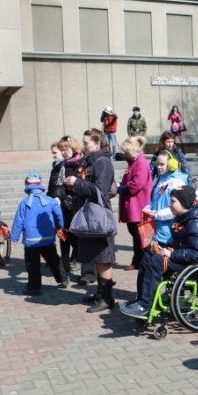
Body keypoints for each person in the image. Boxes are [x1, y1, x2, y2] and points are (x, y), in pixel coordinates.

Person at [120, 186, 198, 318]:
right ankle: (141, 300)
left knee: (155, 261)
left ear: (184, 202)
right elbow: (183, 243)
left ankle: (145, 305)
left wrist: (171, 253)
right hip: (184, 258)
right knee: (148, 256)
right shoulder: (182, 217)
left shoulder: (196, 222)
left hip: (195, 265)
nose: (169, 204)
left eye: (173, 201)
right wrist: (162, 248)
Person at [64, 128, 117, 312]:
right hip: (91, 215)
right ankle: (100, 293)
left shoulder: (103, 162)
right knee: (96, 256)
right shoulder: (91, 161)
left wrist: (77, 183)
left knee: (103, 257)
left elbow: (99, 190)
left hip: (99, 215)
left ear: (97, 143)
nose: (84, 145)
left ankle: (107, 297)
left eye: (87, 142)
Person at [9, 172, 69, 296]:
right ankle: (63, 279)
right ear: (40, 185)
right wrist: (59, 227)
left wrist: (14, 237)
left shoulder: (24, 202)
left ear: (27, 185)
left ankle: (34, 287)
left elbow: (19, 221)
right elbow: (59, 215)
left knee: (32, 264)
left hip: (31, 240)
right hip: (47, 237)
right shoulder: (50, 201)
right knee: (53, 259)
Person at [50, 135, 85, 276]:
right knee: (63, 232)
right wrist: (56, 196)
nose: (63, 152)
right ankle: (64, 259)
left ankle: (77, 258)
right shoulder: (63, 165)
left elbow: (84, 185)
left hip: (78, 205)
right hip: (65, 205)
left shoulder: (81, 163)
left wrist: (73, 189)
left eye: (65, 149)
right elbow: (61, 185)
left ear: (73, 148)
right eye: (61, 150)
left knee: (76, 234)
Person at [117, 136, 152, 271]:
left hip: (138, 205)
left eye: (127, 152)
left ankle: (149, 261)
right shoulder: (133, 163)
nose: (124, 155)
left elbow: (136, 184)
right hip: (132, 205)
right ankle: (138, 261)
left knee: (140, 236)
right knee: (136, 235)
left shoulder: (141, 163)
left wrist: (120, 188)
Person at [142, 151, 188, 247]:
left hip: (170, 234)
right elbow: (153, 200)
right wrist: (147, 208)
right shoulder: (158, 179)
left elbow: (177, 210)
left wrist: (156, 215)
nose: (158, 167)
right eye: (157, 164)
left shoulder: (177, 182)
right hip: (156, 232)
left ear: (171, 165)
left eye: (162, 164)